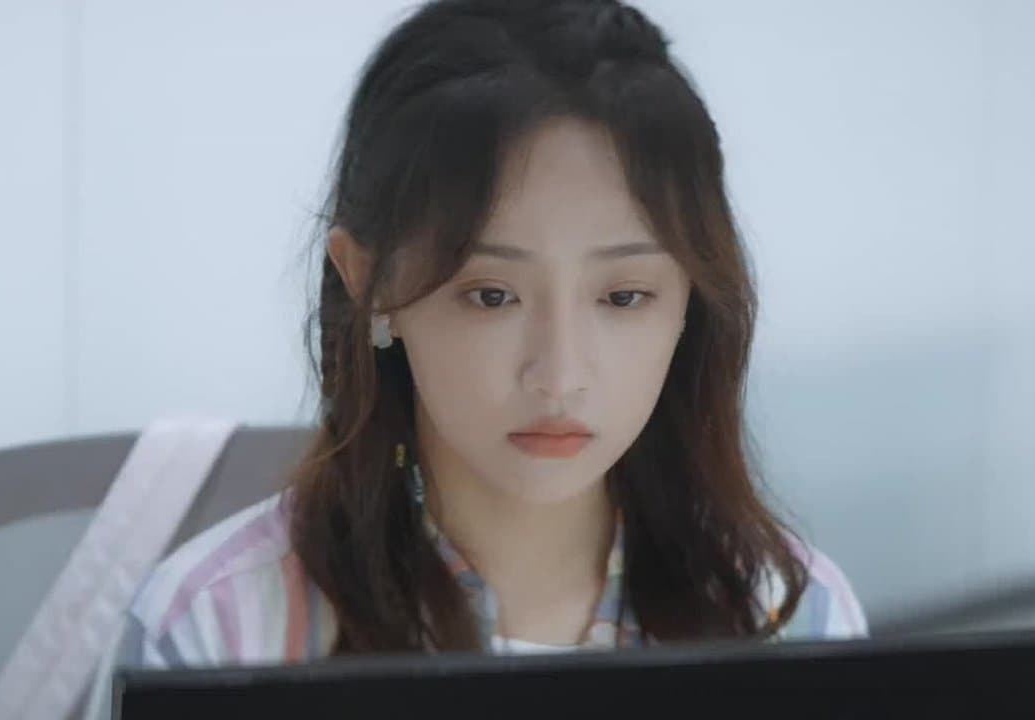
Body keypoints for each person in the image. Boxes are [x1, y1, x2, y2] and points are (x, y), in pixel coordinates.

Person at [84, 0, 867, 715]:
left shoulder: (790, 618)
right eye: (492, 295)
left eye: (624, 296)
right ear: (370, 284)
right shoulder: (218, 630)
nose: (560, 375)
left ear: (692, 302)